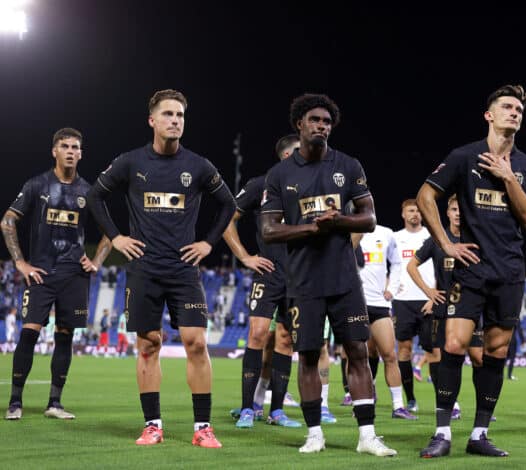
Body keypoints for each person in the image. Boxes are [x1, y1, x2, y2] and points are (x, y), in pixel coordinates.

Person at [86, 89, 236, 448]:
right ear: (152, 120)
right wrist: (116, 237)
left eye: (180, 115)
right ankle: (152, 425)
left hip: (184, 270)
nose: (175, 120)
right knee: (148, 346)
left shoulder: (198, 165)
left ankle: (203, 428)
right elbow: (94, 196)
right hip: (143, 269)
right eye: (168, 114)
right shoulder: (130, 162)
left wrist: (207, 243)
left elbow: (228, 204)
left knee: (196, 343)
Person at [260, 93, 396, 456]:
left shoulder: (348, 166)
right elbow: (269, 231)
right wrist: (311, 229)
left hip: (344, 279)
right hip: (303, 282)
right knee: (306, 355)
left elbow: (369, 218)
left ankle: (367, 436)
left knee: (357, 352)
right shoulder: (280, 174)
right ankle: (314, 434)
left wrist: (338, 221)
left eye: (327, 121)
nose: (321, 126)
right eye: (315, 120)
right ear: (299, 125)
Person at [416, 84, 526, 458]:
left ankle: (479, 434)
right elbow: (425, 196)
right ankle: (442, 433)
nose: (514, 112)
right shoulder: (463, 156)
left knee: (497, 350)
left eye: (519, 109)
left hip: (510, 270)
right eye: (507, 106)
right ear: (489, 114)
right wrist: (446, 244)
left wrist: (507, 177)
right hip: (470, 268)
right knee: (453, 344)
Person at [4, 127, 112, 421]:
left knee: (65, 337)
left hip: (74, 275)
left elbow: (110, 233)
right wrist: (20, 263)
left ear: (81, 153)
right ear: (55, 151)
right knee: (29, 333)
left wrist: (97, 261)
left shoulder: (88, 192)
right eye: (64, 146)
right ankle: (15, 402)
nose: (70, 151)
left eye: (75, 147)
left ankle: (55, 403)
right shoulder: (37, 185)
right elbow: (8, 221)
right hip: (41, 272)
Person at [223, 134, 302, 429]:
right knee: (257, 335)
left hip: (298, 276)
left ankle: (277, 411)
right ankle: (247, 408)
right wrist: (245, 257)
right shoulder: (261, 184)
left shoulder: (308, 187)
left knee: (285, 340)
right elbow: (227, 219)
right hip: (268, 273)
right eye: (298, 150)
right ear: (285, 156)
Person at [407, 195, 475, 420]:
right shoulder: (438, 239)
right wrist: (429, 293)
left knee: (479, 357)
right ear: (447, 213)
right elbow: (411, 266)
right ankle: (448, 403)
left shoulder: (477, 238)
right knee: (438, 357)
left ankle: (483, 404)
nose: (458, 213)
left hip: (471, 308)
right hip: (443, 309)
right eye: (454, 209)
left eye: (461, 209)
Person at [356, 225, 417, 420]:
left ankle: (398, 407)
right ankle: (361, 404)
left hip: (379, 304)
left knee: (390, 355)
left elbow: (397, 262)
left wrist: (392, 287)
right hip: (355, 303)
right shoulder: (346, 232)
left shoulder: (385, 233)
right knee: (359, 358)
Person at [388, 199, 435, 412]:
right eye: (410, 210)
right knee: (404, 350)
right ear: (403, 214)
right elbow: (385, 265)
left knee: (434, 351)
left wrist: (433, 297)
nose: (415, 214)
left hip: (429, 300)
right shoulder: (395, 238)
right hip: (403, 301)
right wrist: (388, 289)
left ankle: (445, 401)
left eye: (417, 210)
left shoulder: (432, 235)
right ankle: (411, 400)